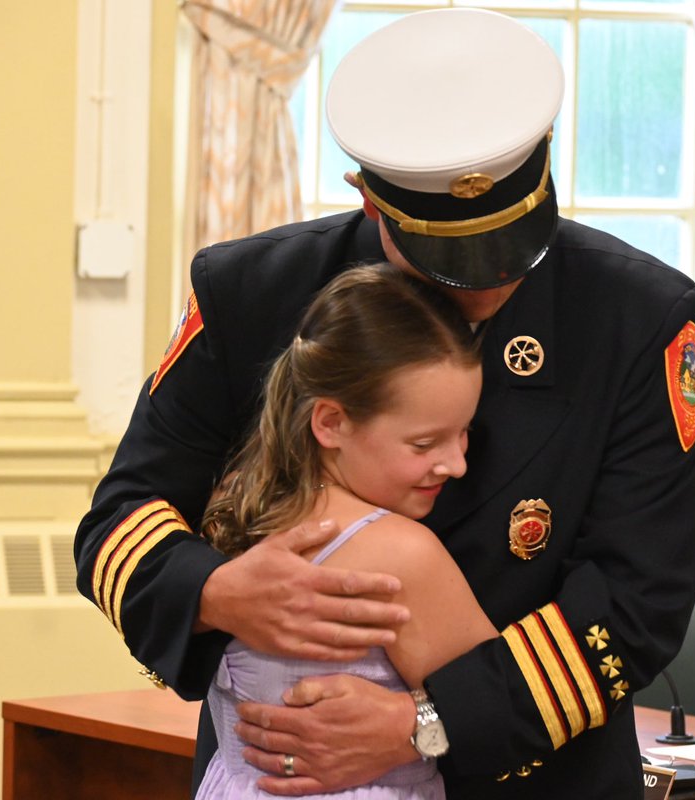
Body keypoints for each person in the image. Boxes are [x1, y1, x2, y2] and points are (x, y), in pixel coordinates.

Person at [76, 8, 695, 798]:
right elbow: (122, 518)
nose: (486, 284)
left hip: (532, 777)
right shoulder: (251, 295)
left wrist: (426, 724)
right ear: (371, 203)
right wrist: (216, 591)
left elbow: (639, 597)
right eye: (449, 259)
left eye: (509, 250)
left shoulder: (633, 318)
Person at [195, 263, 496, 799]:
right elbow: (495, 716)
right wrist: (422, 732)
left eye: (464, 433)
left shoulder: (235, 504)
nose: (457, 464)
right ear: (331, 423)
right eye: (425, 444)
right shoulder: (403, 554)